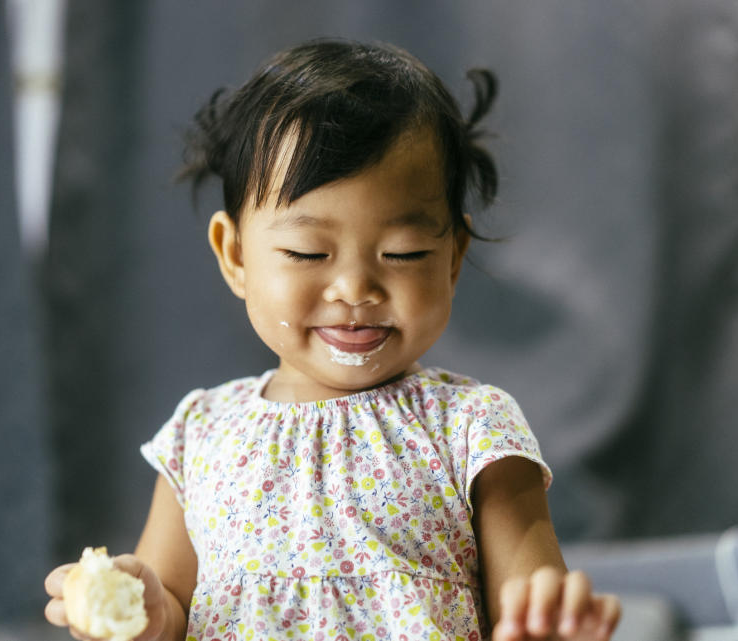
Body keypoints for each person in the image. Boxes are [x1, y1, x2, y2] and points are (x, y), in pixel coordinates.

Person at [45, 38, 621, 641]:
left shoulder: (473, 428)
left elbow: (530, 606)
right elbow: (171, 609)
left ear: (453, 257)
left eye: (404, 253)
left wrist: (550, 628)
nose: (354, 288)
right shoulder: (200, 433)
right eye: (307, 252)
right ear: (235, 255)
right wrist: (145, 614)